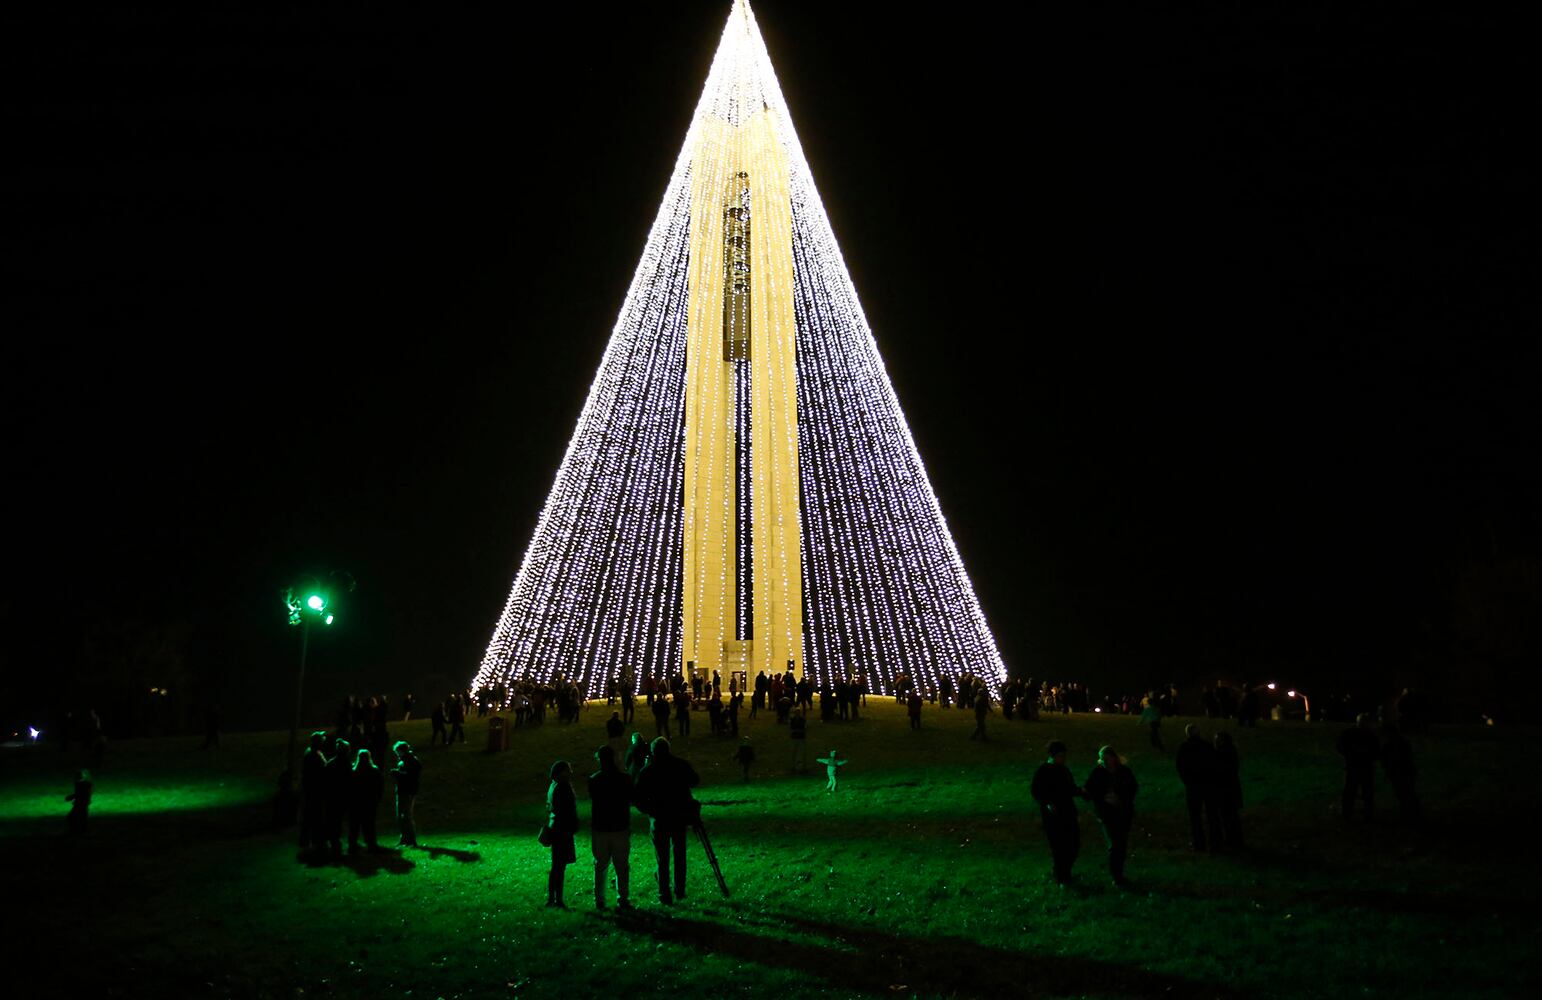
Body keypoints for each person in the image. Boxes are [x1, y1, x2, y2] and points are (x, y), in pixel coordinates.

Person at [631, 737, 700, 905]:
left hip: (659, 818)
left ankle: (664, 894)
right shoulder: (680, 764)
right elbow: (695, 780)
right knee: (679, 855)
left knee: (662, 858)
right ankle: (680, 890)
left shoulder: (648, 770)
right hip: (679, 816)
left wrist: (650, 811)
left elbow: (637, 797)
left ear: (653, 752)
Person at [1083, 745, 1138, 886]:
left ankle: (1118, 873)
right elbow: (1088, 791)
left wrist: (1122, 797)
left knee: (1121, 844)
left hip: (1123, 812)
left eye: (1106, 758)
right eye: (1102, 759)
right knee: (1114, 844)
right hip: (1106, 814)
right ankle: (1116, 876)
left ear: (1114, 758)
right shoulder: (1098, 773)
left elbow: (1133, 788)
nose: (1104, 761)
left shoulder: (1124, 772)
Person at [586, 745, 633, 910]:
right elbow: (631, 798)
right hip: (620, 826)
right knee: (622, 865)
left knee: (600, 865)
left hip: (601, 827)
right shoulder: (625, 779)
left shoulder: (594, 779)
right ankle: (623, 898)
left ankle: (600, 899)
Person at [1030, 741, 1081, 885]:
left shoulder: (1064, 770)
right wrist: (1047, 802)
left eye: (1064, 755)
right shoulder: (1043, 771)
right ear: (1052, 755)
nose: (1063, 758)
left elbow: (1070, 789)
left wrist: (1082, 792)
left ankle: (1064, 873)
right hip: (1053, 816)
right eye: (1060, 755)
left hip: (1068, 812)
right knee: (1059, 847)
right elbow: (1036, 791)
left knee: (1073, 845)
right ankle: (1062, 877)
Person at [1175, 724, 1221, 852]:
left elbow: (1180, 766)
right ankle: (1216, 843)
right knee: (1213, 815)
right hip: (1208, 784)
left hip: (1194, 786)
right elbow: (1215, 763)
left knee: (1195, 817)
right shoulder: (1207, 746)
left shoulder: (1184, 747)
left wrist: (1187, 781)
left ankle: (1199, 844)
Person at [545, 760, 579, 907]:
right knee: (559, 866)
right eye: (568, 770)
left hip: (556, 828)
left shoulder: (553, 785)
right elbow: (567, 810)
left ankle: (553, 898)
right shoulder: (563, 787)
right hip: (563, 830)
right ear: (561, 772)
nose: (570, 773)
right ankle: (557, 899)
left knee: (556, 866)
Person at [1337, 713, 1379, 820]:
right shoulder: (1364, 735)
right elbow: (1341, 747)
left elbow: (1376, 751)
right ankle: (1351, 813)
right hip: (1357, 766)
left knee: (1359, 791)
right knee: (1354, 791)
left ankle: (1358, 813)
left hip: (1360, 766)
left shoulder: (1367, 735)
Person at [1380, 722, 1421, 825]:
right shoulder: (1403, 742)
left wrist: (1387, 770)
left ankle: (1409, 816)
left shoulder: (1390, 745)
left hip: (1399, 773)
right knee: (1408, 794)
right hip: (1404, 772)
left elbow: (1385, 760)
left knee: (1404, 795)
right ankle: (1412, 815)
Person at [299, 731, 329, 850]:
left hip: (312, 789)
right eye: (322, 738)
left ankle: (307, 839)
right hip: (315, 790)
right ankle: (315, 839)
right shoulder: (314, 755)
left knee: (310, 815)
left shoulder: (311, 752)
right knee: (315, 815)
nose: (324, 739)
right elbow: (321, 772)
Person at [1213, 731, 1243, 848]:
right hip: (1231, 789)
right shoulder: (1230, 751)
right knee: (1232, 816)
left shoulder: (1223, 753)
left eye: (1217, 739)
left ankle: (1232, 841)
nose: (1215, 741)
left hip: (1226, 790)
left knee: (1228, 816)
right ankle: (1236, 840)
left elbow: (1221, 770)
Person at [323, 738, 352, 860]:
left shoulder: (330, 763)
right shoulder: (346, 764)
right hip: (342, 797)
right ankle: (336, 844)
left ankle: (333, 843)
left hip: (331, 797)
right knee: (338, 821)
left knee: (332, 820)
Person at [392, 740, 422, 847]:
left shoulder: (412, 761)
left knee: (406, 816)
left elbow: (411, 776)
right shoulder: (404, 760)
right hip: (402, 791)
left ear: (402, 750)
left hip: (408, 791)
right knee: (401, 816)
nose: (397, 754)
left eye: (397, 751)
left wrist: (398, 774)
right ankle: (405, 839)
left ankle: (411, 840)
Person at [65, 768, 93, 836]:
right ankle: (81, 830)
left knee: (72, 817)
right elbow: (83, 793)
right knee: (81, 817)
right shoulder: (87, 783)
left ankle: (76, 831)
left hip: (81, 803)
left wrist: (71, 797)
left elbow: (80, 794)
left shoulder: (81, 784)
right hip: (83, 802)